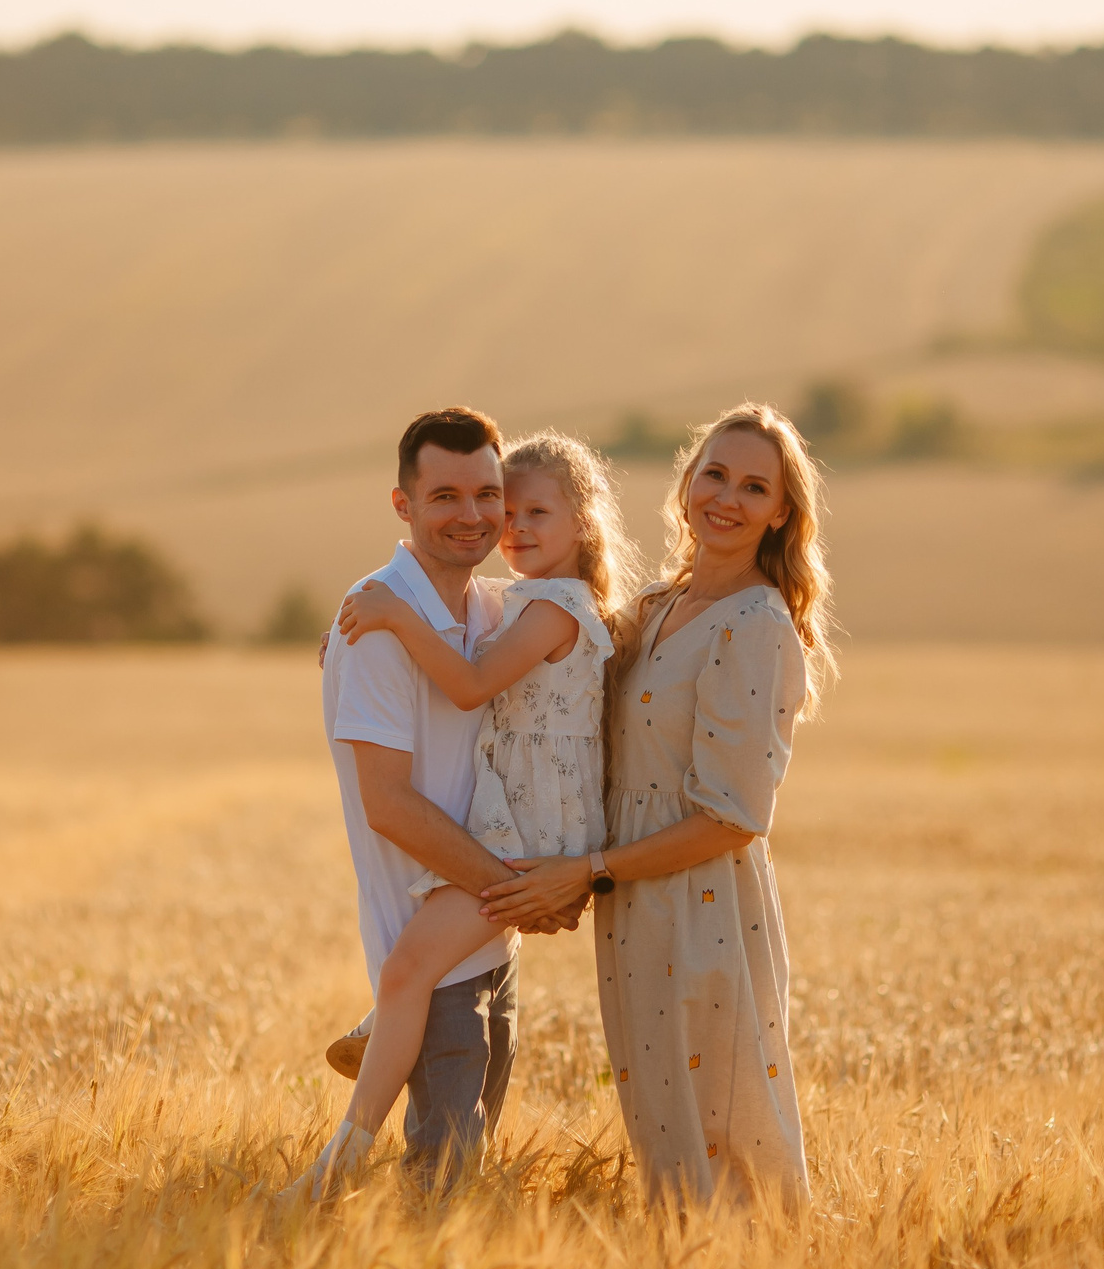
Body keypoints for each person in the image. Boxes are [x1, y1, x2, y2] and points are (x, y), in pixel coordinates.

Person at [478, 404, 836, 1206]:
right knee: (661, 1121)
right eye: (715, 473)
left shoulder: (756, 627)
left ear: (781, 512)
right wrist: (384, 642)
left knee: (720, 1116)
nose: (727, 498)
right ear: (686, 480)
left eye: (754, 487)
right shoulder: (657, 603)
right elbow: (543, 668)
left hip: (702, 901)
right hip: (630, 901)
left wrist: (588, 869)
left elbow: (733, 817)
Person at [292, 430, 634, 1199]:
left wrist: (393, 623)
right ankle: (350, 1126)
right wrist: (353, 644)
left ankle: (348, 1128)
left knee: (411, 972)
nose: (502, 524)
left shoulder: (539, 609)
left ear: (584, 520)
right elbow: (395, 789)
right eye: (492, 505)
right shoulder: (509, 604)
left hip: (533, 837)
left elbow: (471, 684)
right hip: (515, 841)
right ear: (405, 505)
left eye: (519, 507)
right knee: (414, 973)